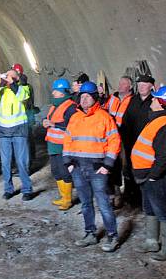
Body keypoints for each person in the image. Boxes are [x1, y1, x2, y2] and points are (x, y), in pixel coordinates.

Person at [64, 81, 122, 252]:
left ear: (95, 98)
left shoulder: (104, 117)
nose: (84, 99)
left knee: (103, 204)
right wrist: (68, 163)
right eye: (82, 96)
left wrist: (107, 165)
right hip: (77, 168)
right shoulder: (75, 117)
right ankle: (90, 233)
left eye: (88, 96)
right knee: (85, 203)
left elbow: (114, 142)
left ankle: (112, 236)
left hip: (98, 169)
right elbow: (67, 140)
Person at [131, 85, 166, 261]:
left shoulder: (165, 126)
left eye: (155, 98)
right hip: (148, 176)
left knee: (161, 211)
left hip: (156, 177)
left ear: (160, 103)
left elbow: (164, 157)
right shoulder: (157, 120)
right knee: (150, 208)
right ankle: (152, 241)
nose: (151, 100)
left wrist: (153, 176)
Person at [0, 68, 34, 200]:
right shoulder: (2, 90)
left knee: (22, 161)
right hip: (3, 130)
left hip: (19, 129)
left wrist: (13, 84)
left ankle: (27, 189)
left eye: (10, 76)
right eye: (6, 75)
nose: (7, 78)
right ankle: (8, 189)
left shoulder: (23, 88)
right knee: (5, 162)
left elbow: (23, 97)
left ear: (17, 78)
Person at [119, 73, 156, 207]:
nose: (141, 87)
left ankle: (144, 200)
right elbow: (126, 119)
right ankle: (131, 198)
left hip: (146, 146)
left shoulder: (154, 102)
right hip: (131, 144)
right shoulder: (133, 100)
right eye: (139, 84)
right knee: (129, 170)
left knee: (144, 171)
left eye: (144, 84)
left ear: (151, 86)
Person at [42, 78, 78, 210]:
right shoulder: (55, 104)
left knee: (64, 172)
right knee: (56, 171)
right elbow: (50, 118)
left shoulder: (71, 107)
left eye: (55, 91)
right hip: (53, 145)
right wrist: (45, 121)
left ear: (62, 93)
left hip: (64, 146)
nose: (53, 93)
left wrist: (53, 124)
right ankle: (63, 196)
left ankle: (67, 200)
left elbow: (72, 126)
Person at [105, 75, 134, 203]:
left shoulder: (133, 100)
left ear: (130, 87)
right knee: (114, 165)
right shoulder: (113, 97)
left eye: (123, 84)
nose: (120, 85)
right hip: (111, 136)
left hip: (126, 137)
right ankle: (116, 194)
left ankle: (129, 193)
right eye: (120, 83)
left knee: (127, 166)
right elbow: (105, 110)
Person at [13, 62, 37, 163]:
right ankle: (31, 157)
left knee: (25, 139)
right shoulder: (28, 85)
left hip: (24, 114)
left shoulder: (21, 86)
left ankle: (28, 161)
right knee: (29, 137)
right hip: (28, 113)